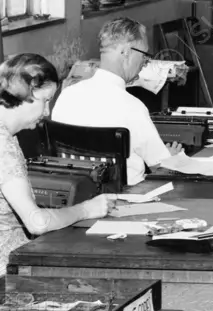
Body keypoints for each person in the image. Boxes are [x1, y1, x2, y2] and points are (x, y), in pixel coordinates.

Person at [0, 54, 115, 274]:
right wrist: (86, 209)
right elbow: (37, 222)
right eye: (45, 100)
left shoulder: (8, 135)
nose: (47, 112)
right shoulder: (3, 145)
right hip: (8, 270)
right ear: (26, 91)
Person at [52, 18, 181, 186]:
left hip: (77, 195)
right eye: (144, 55)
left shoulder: (66, 96)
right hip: (127, 197)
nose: (145, 62)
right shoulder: (131, 106)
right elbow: (161, 166)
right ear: (126, 52)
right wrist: (172, 157)